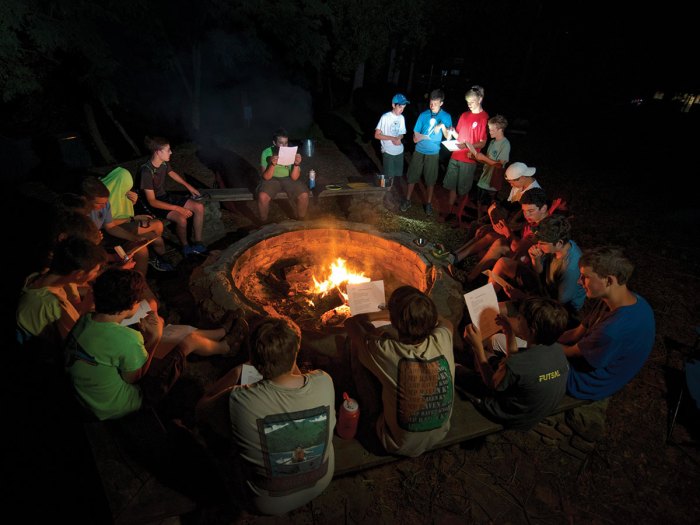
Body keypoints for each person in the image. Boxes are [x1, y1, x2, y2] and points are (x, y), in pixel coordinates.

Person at [64, 268, 247, 422]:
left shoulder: (86, 320)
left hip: (91, 394)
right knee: (184, 341)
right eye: (138, 301)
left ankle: (221, 333)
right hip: (122, 402)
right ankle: (226, 348)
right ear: (130, 306)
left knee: (172, 332)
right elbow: (135, 378)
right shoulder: (126, 339)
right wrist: (154, 338)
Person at [196, 317, 335, 516]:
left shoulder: (239, 398)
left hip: (264, 502)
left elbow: (201, 410)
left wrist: (237, 372)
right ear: (296, 350)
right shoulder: (324, 381)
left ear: (252, 356)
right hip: (320, 482)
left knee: (215, 436)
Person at [345, 285, 455, 457]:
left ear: (394, 321)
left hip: (393, 442)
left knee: (356, 345)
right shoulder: (443, 338)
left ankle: (366, 407)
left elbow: (351, 323)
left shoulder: (385, 350)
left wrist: (375, 316)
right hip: (439, 434)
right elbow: (445, 321)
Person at [561, 246, 655, 400]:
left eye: (585, 277)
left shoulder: (613, 329)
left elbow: (571, 352)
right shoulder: (620, 300)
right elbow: (576, 333)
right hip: (586, 360)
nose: (579, 282)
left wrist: (535, 344)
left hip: (585, 382)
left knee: (535, 366)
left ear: (609, 280)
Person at [462, 297, 570, 430]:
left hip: (512, 415)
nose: (517, 319)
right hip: (535, 407)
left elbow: (491, 383)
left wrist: (477, 347)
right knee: (490, 359)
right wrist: (508, 331)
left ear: (532, 330)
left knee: (459, 371)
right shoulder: (556, 349)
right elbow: (517, 360)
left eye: (520, 319)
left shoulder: (516, 364)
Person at [17, 236, 107, 348]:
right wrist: (86, 311)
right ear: (79, 274)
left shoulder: (39, 276)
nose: (96, 275)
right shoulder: (51, 304)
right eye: (95, 271)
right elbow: (77, 343)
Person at [138, 136, 208, 257]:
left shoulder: (163, 163)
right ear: (158, 152)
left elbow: (172, 173)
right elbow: (152, 201)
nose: (171, 152)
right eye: (168, 150)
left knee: (199, 207)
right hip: (154, 205)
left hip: (165, 196)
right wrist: (178, 208)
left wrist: (189, 187)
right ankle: (185, 247)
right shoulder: (146, 171)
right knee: (181, 219)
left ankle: (198, 243)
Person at [101, 167, 174, 272]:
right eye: (126, 186)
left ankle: (160, 258)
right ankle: (150, 262)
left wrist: (132, 202)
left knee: (157, 239)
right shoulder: (101, 198)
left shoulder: (118, 190)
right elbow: (109, 224)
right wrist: (133, 219)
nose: (127, 189)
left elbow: (123, 209)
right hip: (115, 230)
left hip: (124, 224)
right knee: (156, 226)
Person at [81, 175, 157, 276]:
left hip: (100, 238)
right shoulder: (79, 217)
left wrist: (134, 238)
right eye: (99, 204)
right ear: (84, 200)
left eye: (105, 202)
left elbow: (111, 226)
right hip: (91, 246)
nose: (104, 206)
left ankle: (140, 281)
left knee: (141, 247)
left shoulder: (104, 204)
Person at [401, 89, 452, 216]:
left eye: (435, 102)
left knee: (430, 179)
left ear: (441, 103)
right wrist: (416, 138)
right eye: (430, 102)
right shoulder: (424, 115)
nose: (432, 105)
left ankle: (428, 203)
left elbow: (448, 136)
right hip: (419, 150)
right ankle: (407, 200)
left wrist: (442, 127)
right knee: (412, 176)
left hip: (433, 152)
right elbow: (415, 133)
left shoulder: (446, 117)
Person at [443, 86, 489, 221]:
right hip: (455, 155)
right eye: (468, 102)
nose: (469, 105)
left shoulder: (483, 118)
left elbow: (482, 142)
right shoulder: (464, 115)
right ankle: (450, 212)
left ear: (480, 99)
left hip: (468, 160)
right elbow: (459, 136)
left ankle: (458, 214)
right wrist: (452, 131)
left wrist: (468, 146)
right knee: (451, 186)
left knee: (464, 190)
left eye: (472, 102)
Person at [258, 128, 309, 223]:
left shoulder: (291, 152)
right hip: (272, 179)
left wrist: (297, 164)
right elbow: (266, 177)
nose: (284, 146)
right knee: (262, 196)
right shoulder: (266, 152)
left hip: (288, 178)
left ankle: (301, 221)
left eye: (285, 143)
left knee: (304, 195)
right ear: (274, 143)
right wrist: (272, 164)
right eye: (281, 143)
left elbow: (294, 177)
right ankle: (263, 223)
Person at [473, 114, 511, 205]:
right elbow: (486, 160)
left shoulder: (505, 144)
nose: (489, 132)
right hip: (483, 179)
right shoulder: (492, 142)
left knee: (488, 206)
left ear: (500, 130)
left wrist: (484, 157)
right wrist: (475, 157)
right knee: (479, 203)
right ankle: (479, 219)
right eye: (489, 129)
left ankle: (485, 219)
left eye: (492, 130)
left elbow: (499, 165)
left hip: (492, 182)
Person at [374, 93, 409, 182]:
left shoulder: (402, 118)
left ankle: (392, 193)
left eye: (404, 108)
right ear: (393, 105)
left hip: (399, 151)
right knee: (387, 177)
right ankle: (385, 193)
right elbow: (377, 135)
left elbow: (402, 133)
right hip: (388, 152)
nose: (402, 110)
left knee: (396, 177)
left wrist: (399, 138)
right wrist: (393, 138)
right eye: (400, 107)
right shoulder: (385, 117)